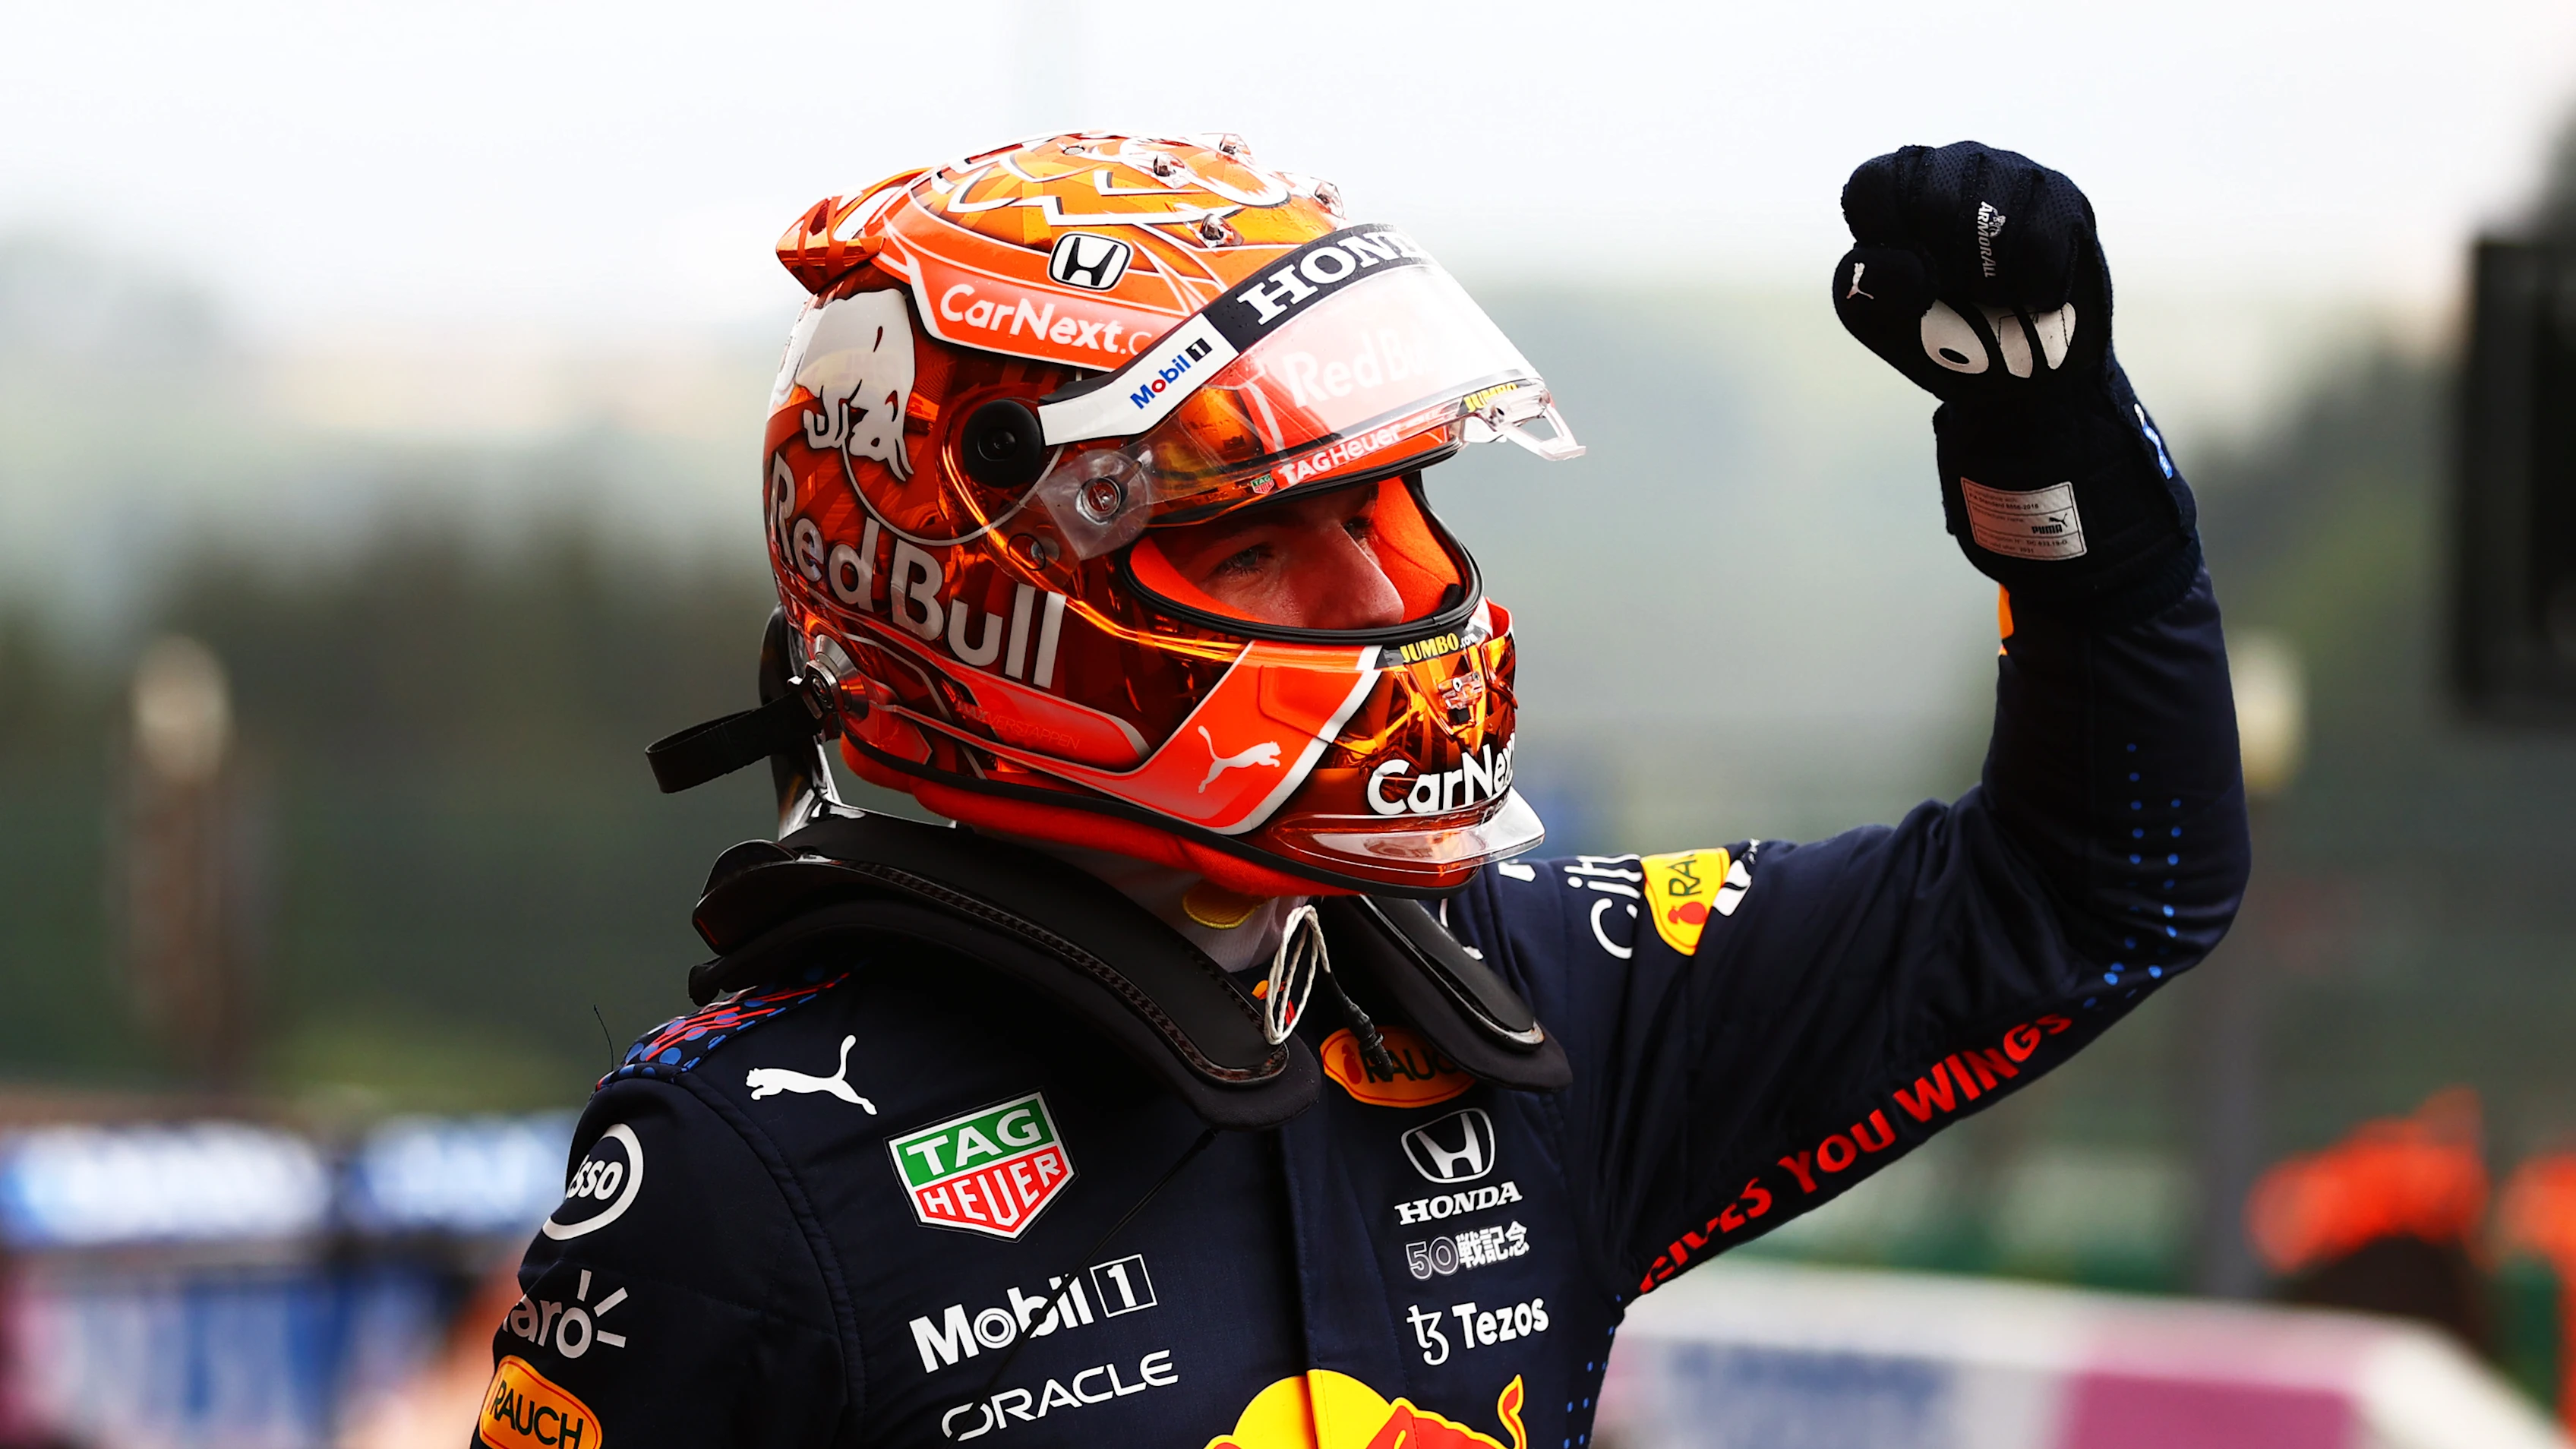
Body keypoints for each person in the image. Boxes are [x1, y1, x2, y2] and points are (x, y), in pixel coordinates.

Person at [472, 134, 2247, 1449]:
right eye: (1262, 538)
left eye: (1384, 505)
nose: (1388, 593)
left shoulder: (1526, 998)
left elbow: (2098, 892)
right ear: (981, 590)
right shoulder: (740, 1165)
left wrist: (2049, 462)